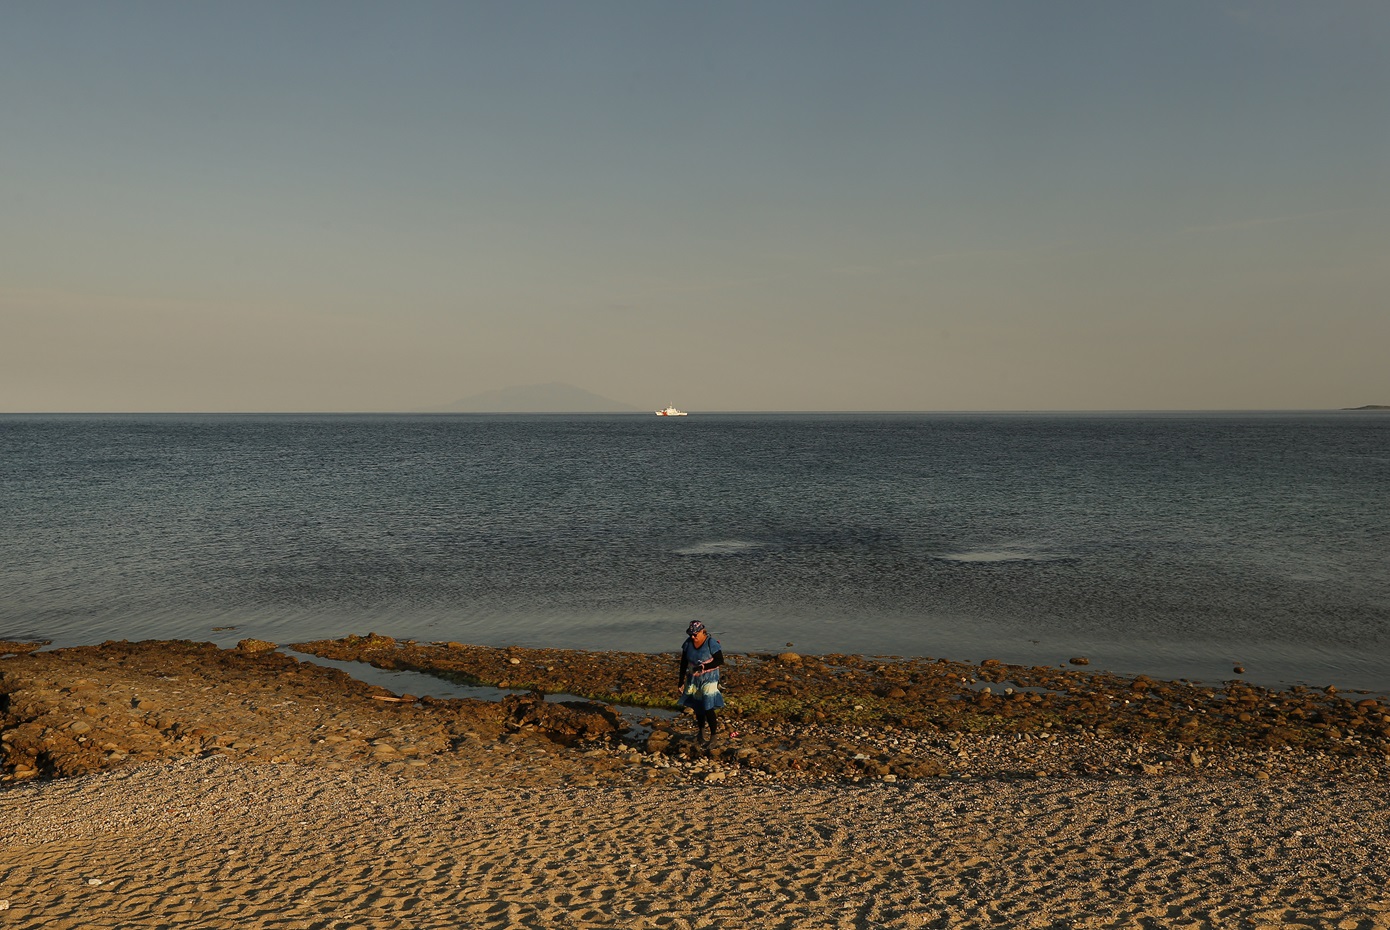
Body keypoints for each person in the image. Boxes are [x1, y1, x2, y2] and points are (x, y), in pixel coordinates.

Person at [678, 620, 725, 748]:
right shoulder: (688, 644)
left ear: (702, 632)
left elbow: (720, 660)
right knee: (698, 706)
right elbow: (683, 663)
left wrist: (704, 666)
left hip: (710, 678)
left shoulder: (711, 643)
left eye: (695, 634)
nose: (693, 637)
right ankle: (701, 733)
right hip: (694, 678)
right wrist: (680, 681)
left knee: (708, 706)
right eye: (691, 635)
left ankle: (713, 737)